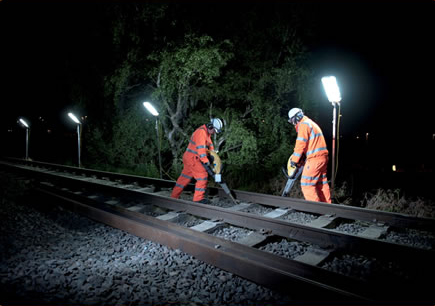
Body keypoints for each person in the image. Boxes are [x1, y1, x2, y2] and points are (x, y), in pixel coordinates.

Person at [170, 118, 224, 204]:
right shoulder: (201, 133)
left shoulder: (206, 133)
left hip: (190, 158)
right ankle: (198, 199)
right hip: (193, 159)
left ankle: (173, 197)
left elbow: (210, 146)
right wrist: (206, 162)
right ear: (210, 127)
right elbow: (201, 150)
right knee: (202, 176)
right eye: (214, 130)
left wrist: (214, 157)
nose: (214, 133)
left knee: (184, 179)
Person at [288, 108, 331, 203]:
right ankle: (328, 208)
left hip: (315, 159)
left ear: (296, 118)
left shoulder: (303, 125)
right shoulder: (311, 123)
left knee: (306, 184)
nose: (293, 124)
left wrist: (294, 160)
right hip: (323, 158)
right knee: (321, 183)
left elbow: (300, 145)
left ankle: (316, 210)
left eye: (292, 121)